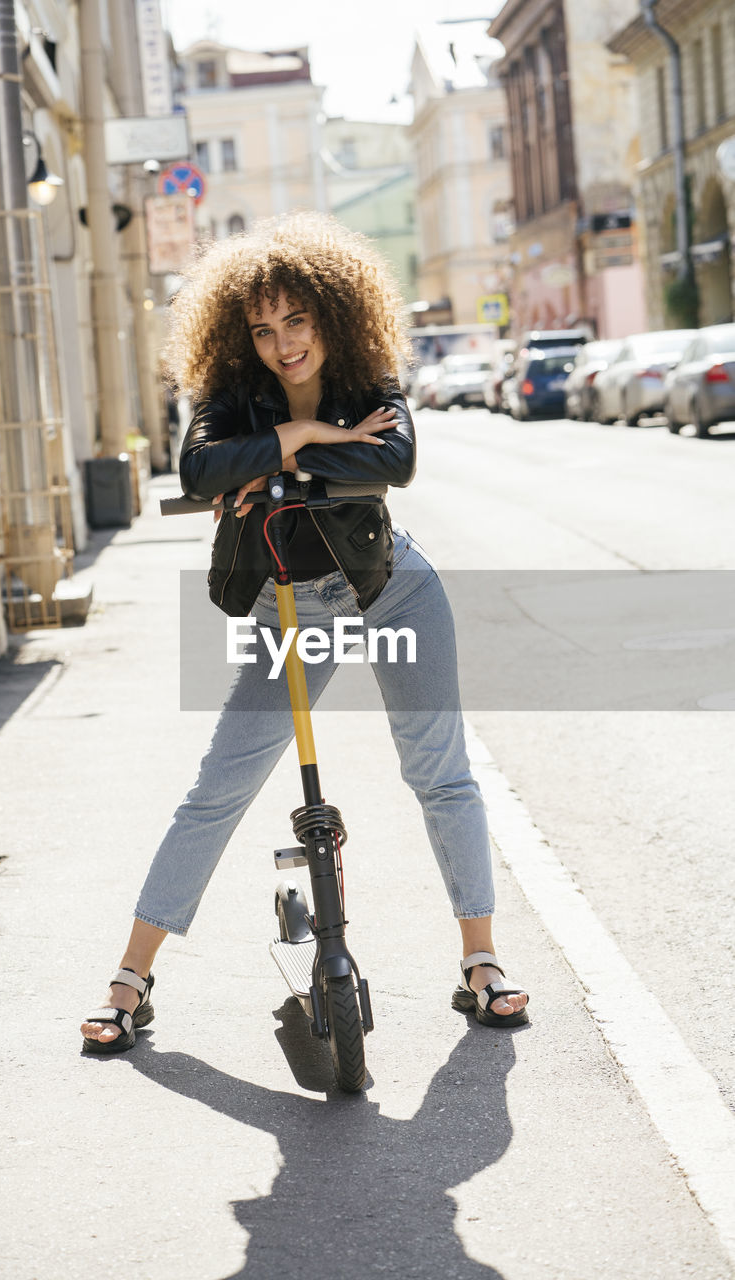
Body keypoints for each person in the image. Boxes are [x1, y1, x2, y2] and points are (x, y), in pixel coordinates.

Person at [81, 213, 529, 1055]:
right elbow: (200, 470)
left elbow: (393, 463)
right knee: (220, 785)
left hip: (390, 587)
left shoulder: (370, 379)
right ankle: (130, 981)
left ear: (331, 313)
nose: (284, 344)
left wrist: (274, 462)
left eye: (297, 321)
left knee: (440, 773)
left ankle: (482, 963)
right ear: (240, 336)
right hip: (293, 605)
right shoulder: (228, 399)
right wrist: (310, 437)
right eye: (263, 329)